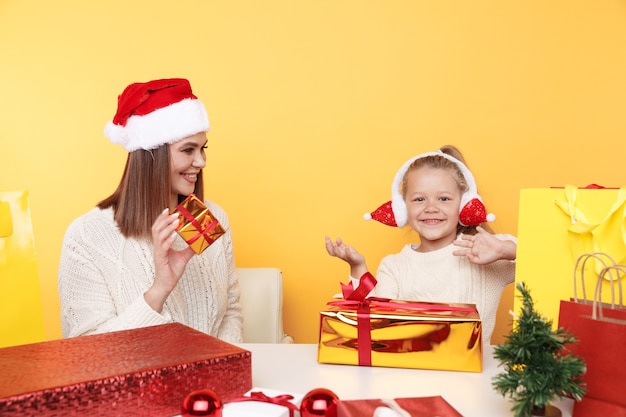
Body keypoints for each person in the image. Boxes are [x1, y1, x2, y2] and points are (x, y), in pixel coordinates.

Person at [58, 78, 243, 343]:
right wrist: (159, 289)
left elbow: (231, 314)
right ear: (150, 156)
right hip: (133, 385)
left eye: (203, 148)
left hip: (210, 384)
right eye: (188, 150)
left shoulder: (210, 217)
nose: (201, 161)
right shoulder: (87, 236)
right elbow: (85, 349)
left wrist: (222, 369)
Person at [325, 145, 516, 344]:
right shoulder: (394, 267)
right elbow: (375, 326)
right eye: (419, 199)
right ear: (402, 208)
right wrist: (357, 267)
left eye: (444, 198)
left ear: (465, 204)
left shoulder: (488, 251)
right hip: (408, 373)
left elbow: (546, 263)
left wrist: (506, 250)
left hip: (473, 374)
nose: (431, 208)